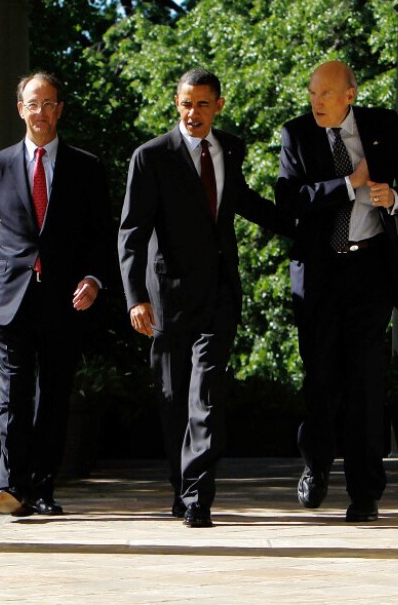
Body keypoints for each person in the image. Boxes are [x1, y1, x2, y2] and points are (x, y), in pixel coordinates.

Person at [118, 68, 291, 528]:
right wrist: (136, 296)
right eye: (184, 104)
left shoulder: (230, 148)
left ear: (218, 105)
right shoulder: (150, 157)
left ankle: (198, 496)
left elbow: (242, 201)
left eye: (201, 104)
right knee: (174, 397)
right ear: (176, 104)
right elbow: (131, 232)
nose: (192, 113)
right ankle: (183, 487)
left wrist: (302, 225)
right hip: (168, 297)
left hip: (218, 292)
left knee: (206, 392)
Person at [276, 61, 398, 523]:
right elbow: (290, 200)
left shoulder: (382, 126)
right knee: (321, 381)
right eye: (311, 94)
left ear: (350, 94)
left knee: (365, 385)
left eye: (325, 94)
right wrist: (349, 184)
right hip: (320, 276)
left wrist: (394, 198)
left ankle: (365, 493)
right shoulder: (297, 135)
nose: (316, 102)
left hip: (370, 271)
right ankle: (316, 466)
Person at [0, 72, 112, 517]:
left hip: (63, 298)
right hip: (9, 295)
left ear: (60, 110)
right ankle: (11, 487)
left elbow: (100, 236)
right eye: (34, 104)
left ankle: (43, 486)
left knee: (53, 396)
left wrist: (93, 279)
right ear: (20, 109)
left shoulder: (85, 167)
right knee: (13, 392)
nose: (42, 113)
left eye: (50, 104)